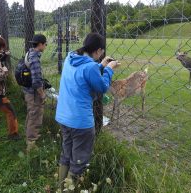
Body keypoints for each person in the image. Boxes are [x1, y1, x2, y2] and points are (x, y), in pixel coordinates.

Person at [55, 33, 120, 189]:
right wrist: (109, 70)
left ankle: (59, 187)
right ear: (98, 51)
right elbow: (102, 86)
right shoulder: (90, 66)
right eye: (101, 52)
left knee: (66, 154)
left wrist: (101, 65)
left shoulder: (71, 58)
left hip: (64, 117)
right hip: (80, 122)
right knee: (78, 161)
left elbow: (83, 74)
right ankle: (68, 190)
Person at [23, 34, 48, 153]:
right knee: (35, 115)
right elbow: (37, 81)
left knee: (31, 113)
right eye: (45, 44)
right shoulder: (35, 58)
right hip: (34, 93)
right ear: (41, 44)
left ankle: (29, 137)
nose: (45, 46)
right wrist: (42, 94)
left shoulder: (29, 53)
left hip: (28, 91)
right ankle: (31, 144)